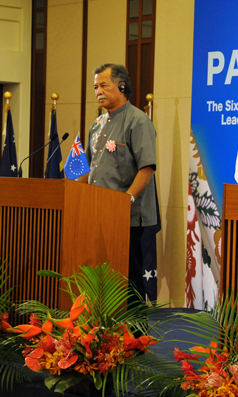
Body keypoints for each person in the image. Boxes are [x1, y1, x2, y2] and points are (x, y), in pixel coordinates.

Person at [78, 63, 157, 304]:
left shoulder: (138, 121)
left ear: (122, 86)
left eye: (103, 85)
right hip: (99, 216)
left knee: (130, 286)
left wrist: (126, 200)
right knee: (104, 285)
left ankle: (134, 340)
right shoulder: (97, 124)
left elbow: (147, 168)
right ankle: (107, 337)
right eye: (95, 87)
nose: (97, 91)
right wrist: (69, 190)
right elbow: (90, 170)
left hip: (130, 219)